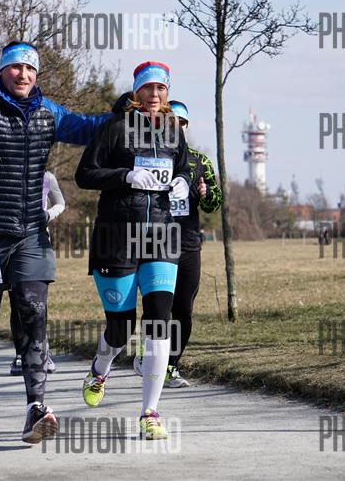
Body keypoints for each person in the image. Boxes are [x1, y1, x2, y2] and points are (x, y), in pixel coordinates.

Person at [0, 39, 110, 443]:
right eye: (15, 67)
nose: (23, 74)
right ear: (1, 71)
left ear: (37, 74)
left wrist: (128, 112)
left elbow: (89, 127)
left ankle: (36, 408)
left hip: (30, 232)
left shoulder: (48, 112)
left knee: (33, 311)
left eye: (30, 68)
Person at [75, 61, 190, 440]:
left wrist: (183, 182)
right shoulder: (116, 128)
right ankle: (100, 368)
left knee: (159, 319)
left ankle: (150, 413)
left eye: (161, 88)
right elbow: (84, 174)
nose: (154, 95)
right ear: (137, 91)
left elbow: (183, 168)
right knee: (121, 328)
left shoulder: (174, 131)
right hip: (117, 237)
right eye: (148, 88)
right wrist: (124, 175)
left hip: (161, 234)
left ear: (167, 92)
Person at [133, 101, 222, 387]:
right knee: (158, 306)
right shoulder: (146, 154)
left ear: (186, 126)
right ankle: (148, 354)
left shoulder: (199, 160)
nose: (178, 127)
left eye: (182, 123)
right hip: (156, 240)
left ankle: (171, 364)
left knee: (183, 308)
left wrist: (207, 194)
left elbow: (215, 203)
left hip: (188, 242)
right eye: (174, 122)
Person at [9, 170, 65, 375]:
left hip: (38, 242)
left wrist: (48, 214)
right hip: (10, 242)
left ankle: (42, 351)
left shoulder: (47, 177)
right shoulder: (7, 172)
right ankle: (20, 354)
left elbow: (60, 203)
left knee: (38, 300)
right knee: (16, 300)